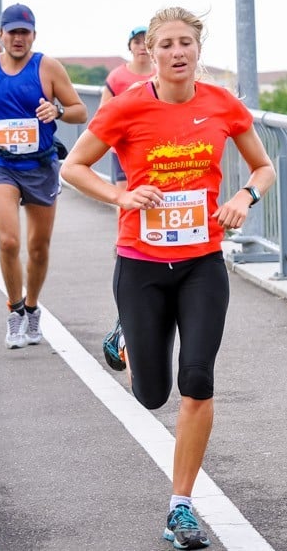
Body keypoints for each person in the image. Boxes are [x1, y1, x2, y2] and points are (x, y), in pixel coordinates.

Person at [61, 6, 275, 550]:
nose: (178, 52)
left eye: (186, 43)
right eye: (166, 44)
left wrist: (243, 198)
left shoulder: (222, 104)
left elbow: (263, 166)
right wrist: (120, 194)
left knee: (197, 379)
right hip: (141, 263)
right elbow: (74, 166)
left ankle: (181, 506)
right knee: (151, 395)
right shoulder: (127, 107)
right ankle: (129, 337)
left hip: (203, 263)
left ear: (198, 50)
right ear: (149, 53)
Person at [0, 3, 88, 349]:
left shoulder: (48, 67)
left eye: (24, 32)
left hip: (40, 166)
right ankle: (14, 312)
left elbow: (79, 111)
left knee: (37, 248)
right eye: (11, 32)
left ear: (33, 36)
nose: (18, 38)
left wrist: (56, 110)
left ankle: (31, 307)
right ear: (0, 35)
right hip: (0, 164)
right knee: (9, 242)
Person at [100, 25, 155, 373]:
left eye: (145, 42)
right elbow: (103, 117)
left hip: (163, 165)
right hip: (126, 161)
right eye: (137, 42)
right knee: (130, 222)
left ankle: (132, 322)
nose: (141, 48)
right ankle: (127, 325)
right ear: (130, 47)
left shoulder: (164, 74)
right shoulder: (118, 77)